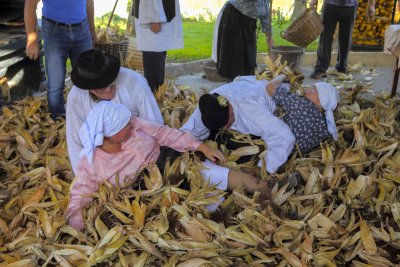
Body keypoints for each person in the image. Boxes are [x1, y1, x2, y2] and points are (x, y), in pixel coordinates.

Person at [67, 101, 271, 230]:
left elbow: (164, 134)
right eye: (125, 126)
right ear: (108, 135)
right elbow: (79, 195)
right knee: (207, 213)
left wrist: (199, 146)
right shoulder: (92, 164)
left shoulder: (135, 124)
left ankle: (267, 192)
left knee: (217, 175)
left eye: (130, 122)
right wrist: (75, 228)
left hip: (170, 162)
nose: (132, 125)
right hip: (149, 192)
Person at [66, 49, 164, 174]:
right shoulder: (76, 98)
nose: (107, 90)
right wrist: (83, 177)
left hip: (141, 151)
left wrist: (150, 165)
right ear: (88, 87)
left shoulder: (135, 83)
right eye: (100, 89)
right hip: (103, 160)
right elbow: (76, 142)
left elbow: (155, 126)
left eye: (111, 84)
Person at [180, 76, 295, 174]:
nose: (224, 128)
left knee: (252, 152)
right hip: (241, 86)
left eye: (225, 122)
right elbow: (186, 133)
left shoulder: (253, 111)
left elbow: (285, 137)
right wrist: (200, 148)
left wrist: (263, 168)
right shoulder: (208, 105)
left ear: (230, 106)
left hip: (258, 90)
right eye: (220, 127)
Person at [24, 0, 96, 119]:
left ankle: (88, 117)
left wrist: (92, 30)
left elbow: (89, 2)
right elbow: (30, 4)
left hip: (82, 29)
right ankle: (58, 122)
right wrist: (32, 39)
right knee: (55, 84)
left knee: (88, 78)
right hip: (54, 31)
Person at [266, 74, 340, 154]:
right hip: (291, 155)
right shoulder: (325, 125)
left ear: (322, 99)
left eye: (312, 91)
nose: (306, 92)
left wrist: (281, 77)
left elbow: (270, 87)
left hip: (273, 145)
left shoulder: (302, 105)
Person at [309, 0, 376, 79]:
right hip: (330, 4)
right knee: (325, 37)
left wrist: (371, 5)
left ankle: (342, 67)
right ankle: (320, 69)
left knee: (346, 38)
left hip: (350, 6)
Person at [213, 0, 274, 81]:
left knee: (249, 59)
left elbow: (265, 12)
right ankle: (232, 87)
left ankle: (245, 87)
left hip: (248, 22)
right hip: (233, 17)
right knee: (234, 58)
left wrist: (268, 37)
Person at [132, 0, 183, 92]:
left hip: (159, 11)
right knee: (154, 57)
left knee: (158, 53)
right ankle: (153, 95)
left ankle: (156, 93)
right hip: (154, 14)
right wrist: (153, 16)